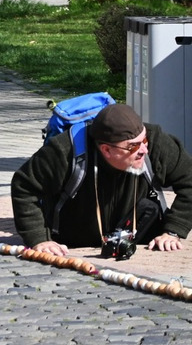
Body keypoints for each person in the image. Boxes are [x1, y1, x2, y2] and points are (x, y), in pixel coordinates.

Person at [11, 103, 192, 256]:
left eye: (144, 140)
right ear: (106, 149)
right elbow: (24, 186)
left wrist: (173, 230)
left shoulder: (156, 142)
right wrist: (39, 238)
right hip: (71, 241)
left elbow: (189, 181)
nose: (144, 150)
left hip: (142, 237)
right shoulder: (63, 151)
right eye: (133, 146)